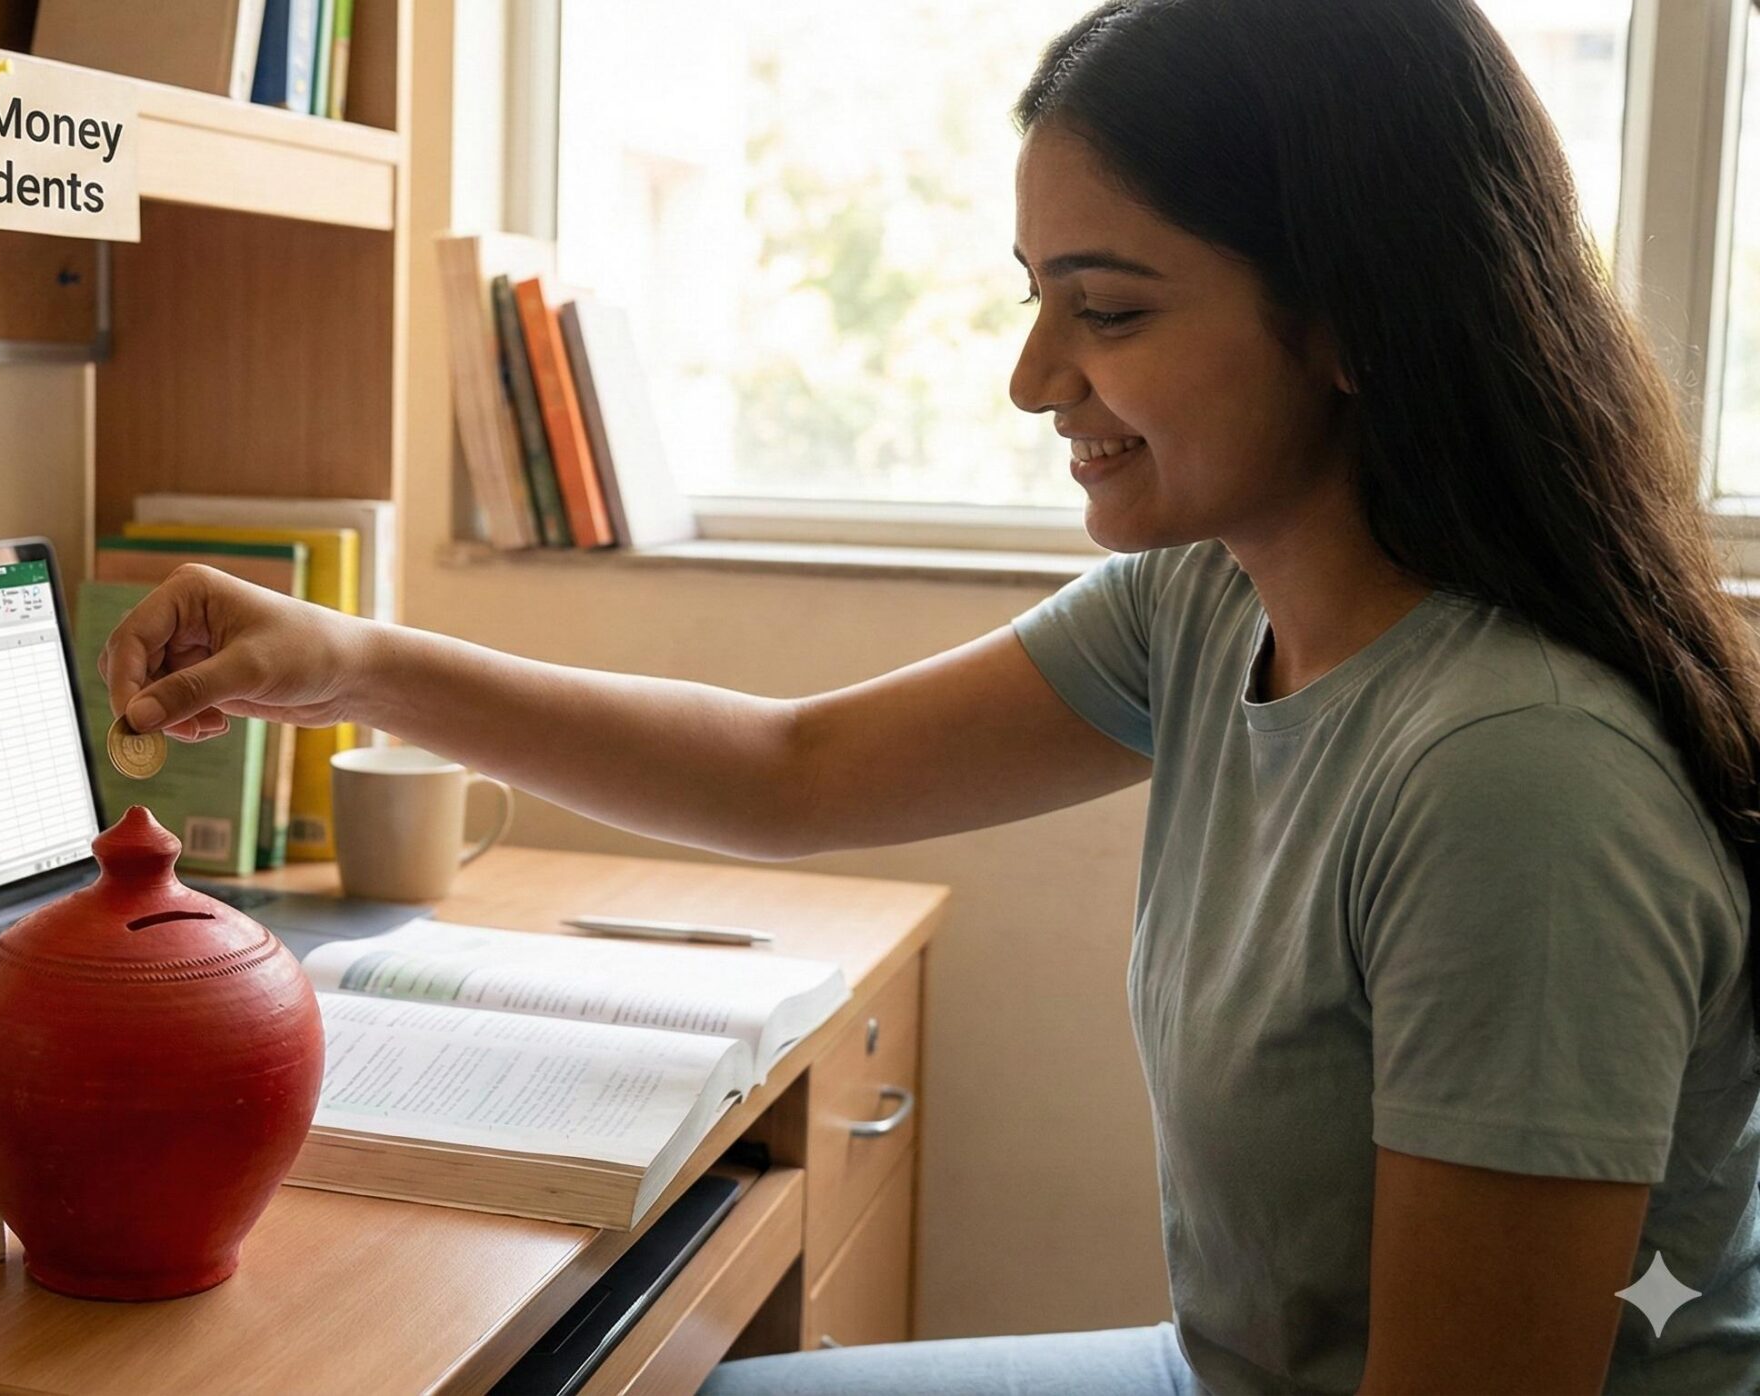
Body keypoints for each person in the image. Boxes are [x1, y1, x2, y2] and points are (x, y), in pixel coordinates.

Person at [98, 0, 1760, 1389]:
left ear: (1353, 318)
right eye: (1032, 294)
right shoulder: (1208, 601)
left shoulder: (1515, 781)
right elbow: (791, 770)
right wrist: (351, 660)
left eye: (1105, 308)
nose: (1035, 379)